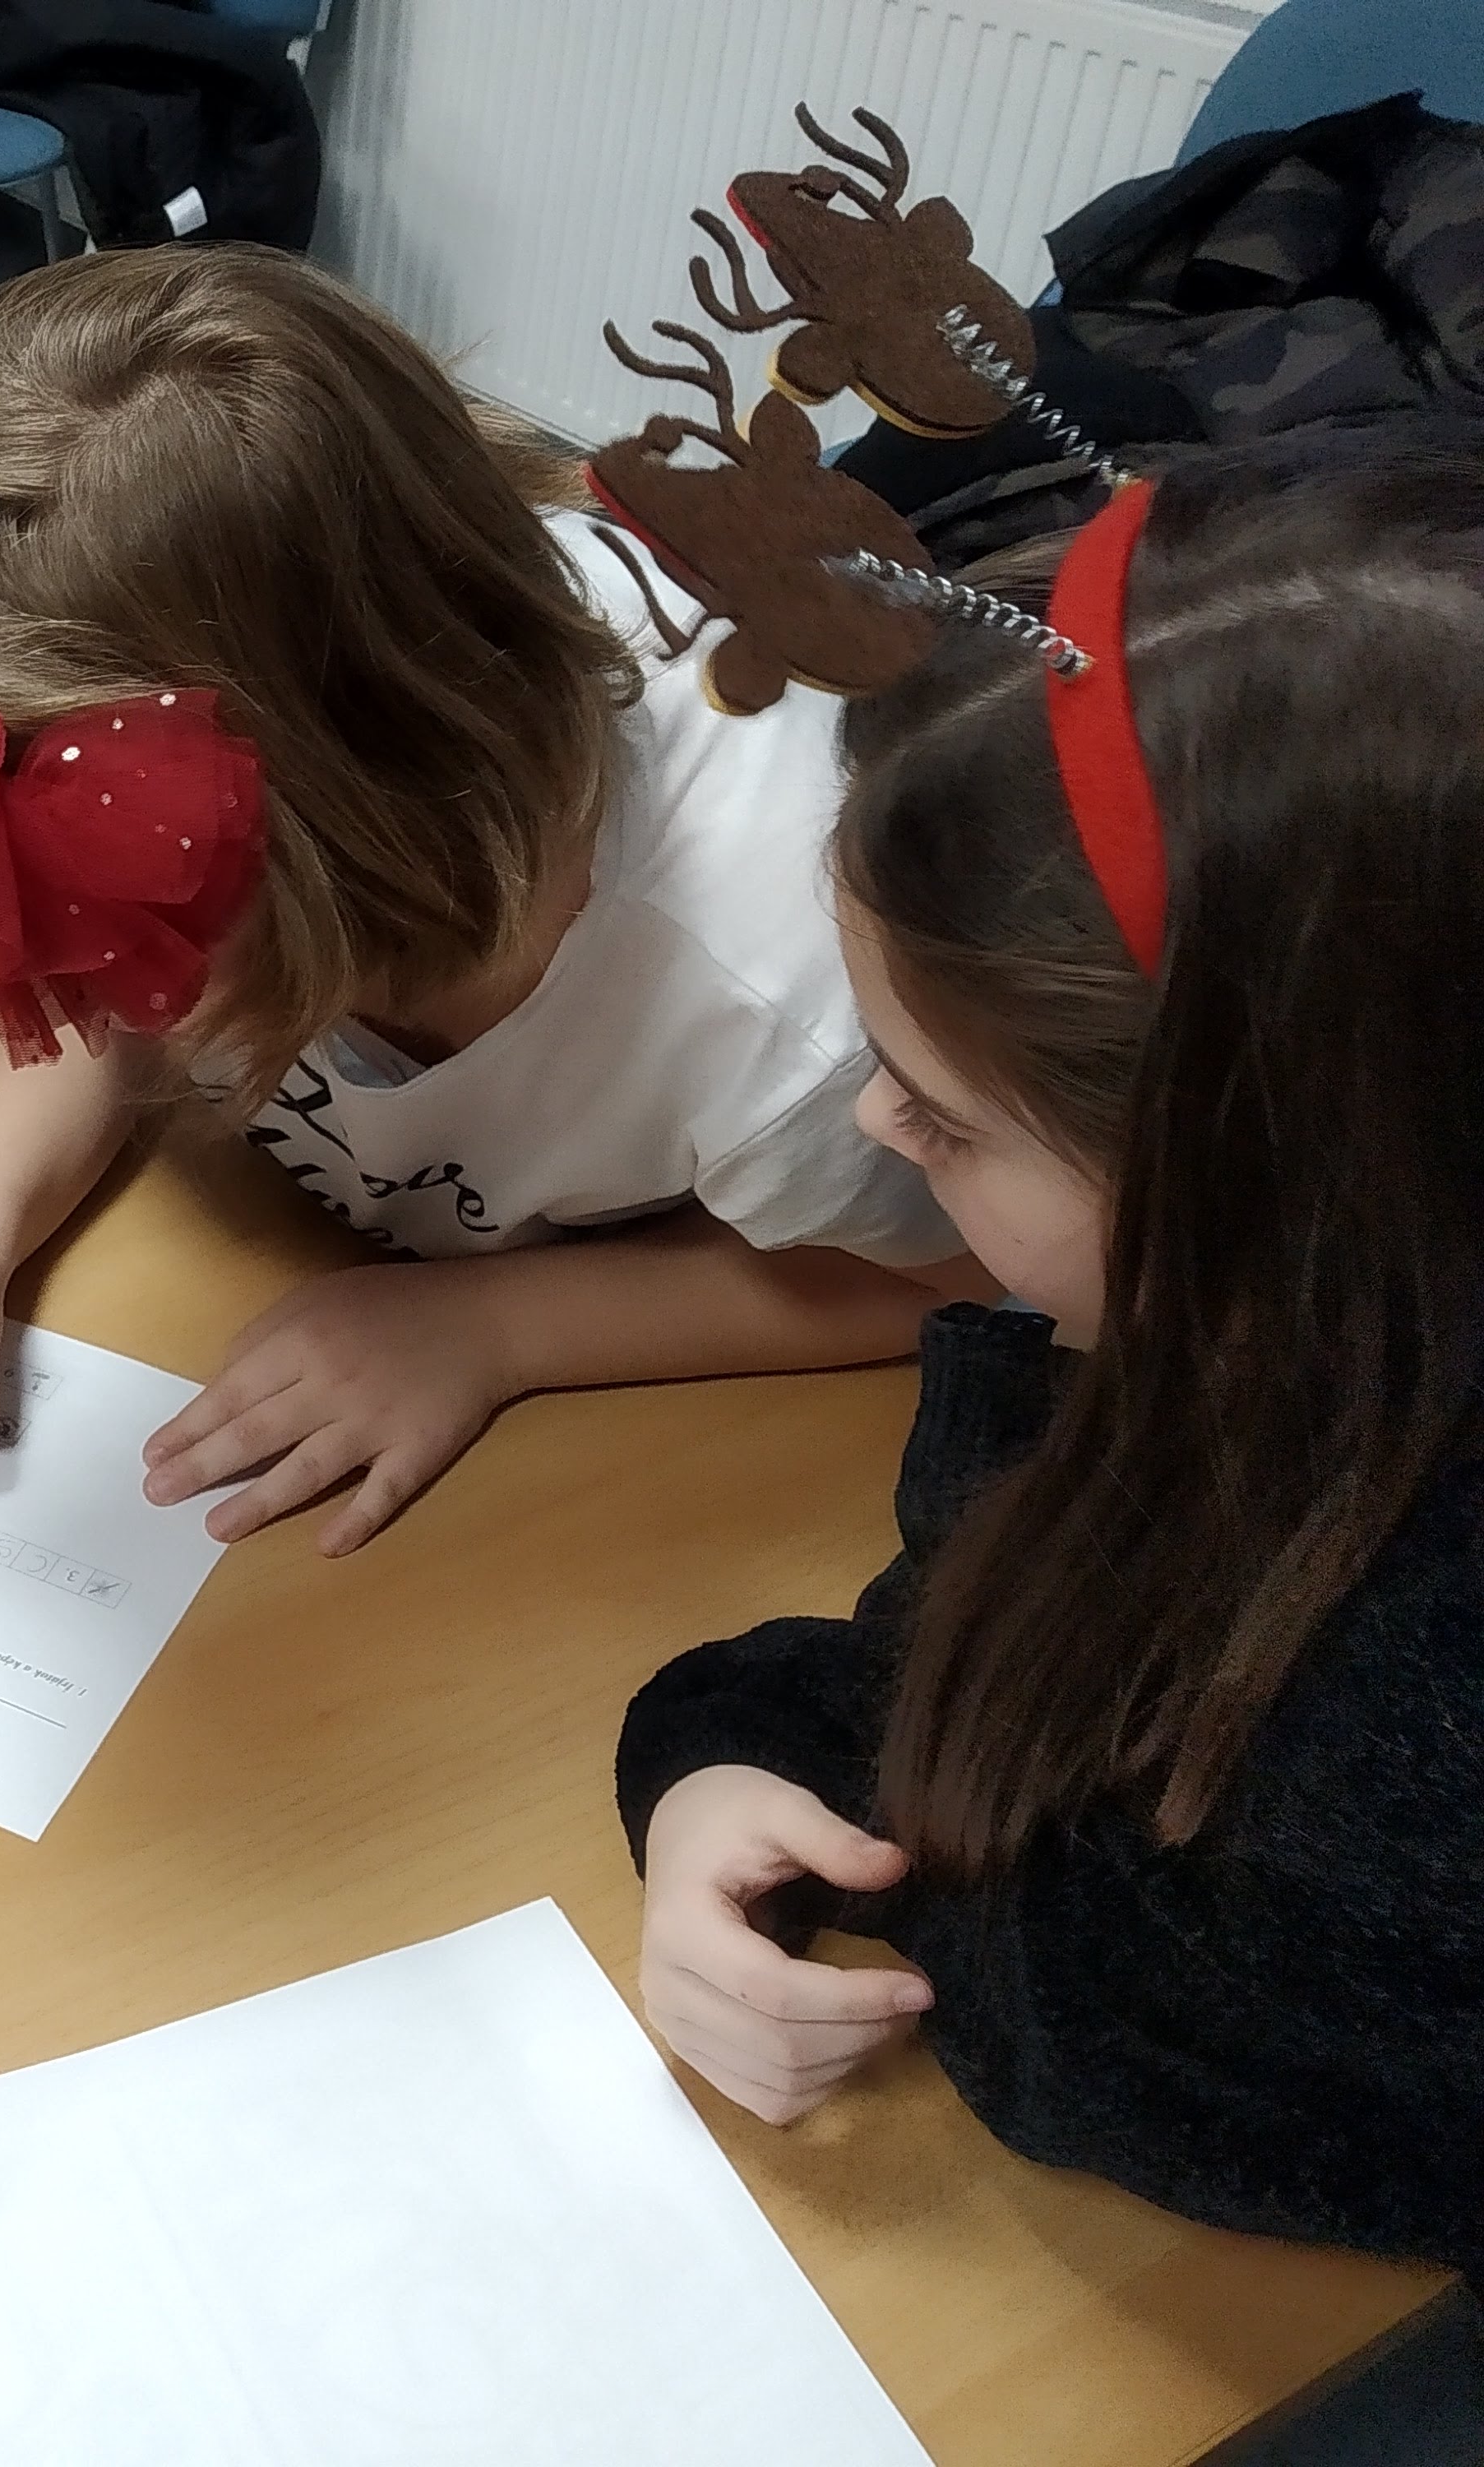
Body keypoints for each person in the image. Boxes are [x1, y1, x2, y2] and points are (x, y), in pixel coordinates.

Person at [0, 246, 975, 1557]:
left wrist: (502, 1329)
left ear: (335, 846)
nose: (72, 972)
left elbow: (953, 1275)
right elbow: (80, 983)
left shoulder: (783, 1009)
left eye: (110, 925)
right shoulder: (246, 780)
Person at [618, 430, 1484, 2285]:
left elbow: (1115, 2024)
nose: (875, 1124)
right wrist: (719, 1772)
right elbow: (960, 1669)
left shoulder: (1406, 1749)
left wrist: (937, 1897)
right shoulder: (1206, 1362)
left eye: (941, 1112)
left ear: (1283, 1179)